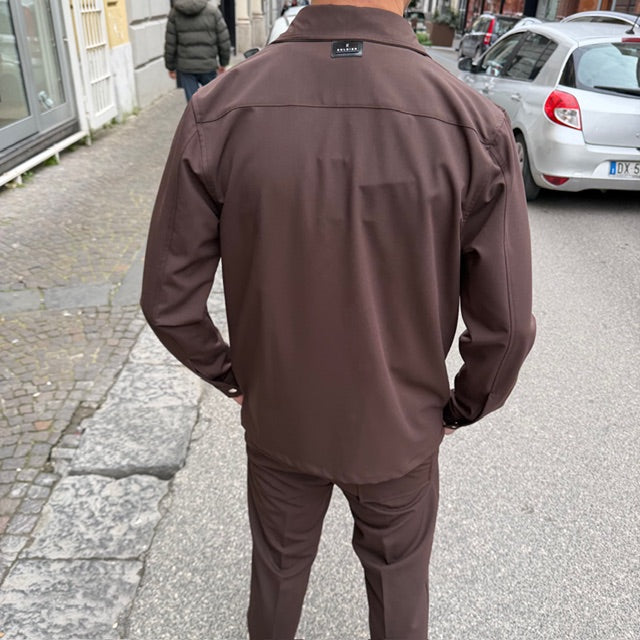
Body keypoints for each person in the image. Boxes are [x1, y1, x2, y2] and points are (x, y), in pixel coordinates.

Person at [141, 0, 536, 637]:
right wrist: (462, 407)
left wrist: (234, 376)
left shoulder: (219, 109)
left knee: (276, 574)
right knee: (398, 585)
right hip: (399, 424)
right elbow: (508, 325)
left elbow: (167, 300)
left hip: (281, 415)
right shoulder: (473, 124)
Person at [164, 0, 231, 101]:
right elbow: (223, 40)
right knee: (212, 100)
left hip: (186, 67)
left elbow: (170, 43)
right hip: (208, 65)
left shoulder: (175, 13)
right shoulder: (213, 12)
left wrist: (170, 67)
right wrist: (223, 63)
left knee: (192, 103)